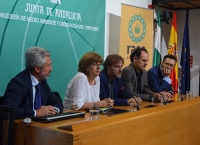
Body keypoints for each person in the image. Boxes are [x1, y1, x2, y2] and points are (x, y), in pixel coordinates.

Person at [4, 47, 64, 119]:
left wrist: (54, 110)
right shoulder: (18, 84)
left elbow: (57, 101)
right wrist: (36, 113)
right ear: (37, 69)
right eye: (48, 65)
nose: (51, 69)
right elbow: (9, 111)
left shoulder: (42, 82)